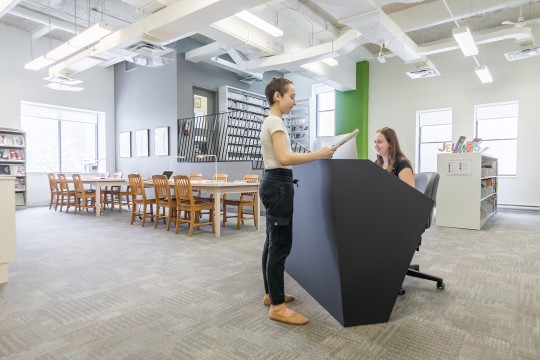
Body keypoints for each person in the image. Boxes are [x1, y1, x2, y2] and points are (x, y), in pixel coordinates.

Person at [260, 77, 336, 325]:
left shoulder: (271, 122)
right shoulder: (276, 123)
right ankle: (278, 307)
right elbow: (284, 157)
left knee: (272, 241)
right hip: (279, 184)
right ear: (277, 96)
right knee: (280, 246)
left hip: (274, 182)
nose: (294, 101)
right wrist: (319, 155)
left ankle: (272, 295)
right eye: (291, 96)